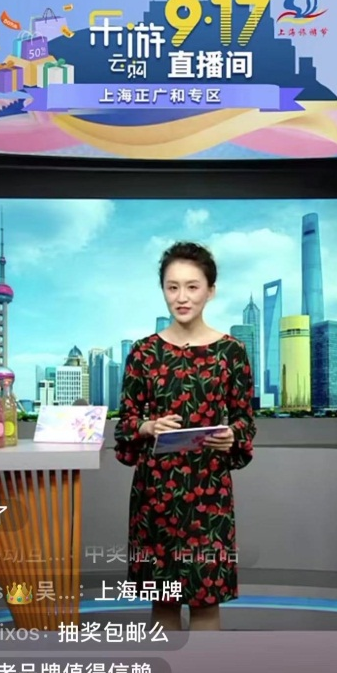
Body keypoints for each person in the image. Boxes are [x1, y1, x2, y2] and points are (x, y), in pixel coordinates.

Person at [114, 241, 256, 630]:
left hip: (209, 494)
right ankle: (166, 672)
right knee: (162, 603)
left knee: (207, 602)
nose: (182, 297)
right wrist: (147, 426)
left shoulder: (232, 352)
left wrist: (232, 436)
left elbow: (245, 420)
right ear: (162, 290)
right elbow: (125, 423)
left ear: (211, 291)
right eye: (172, 287)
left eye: (192, 287)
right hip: (155, 494)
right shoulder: (143, 353)